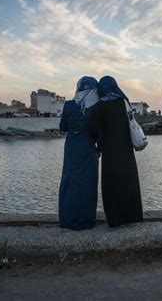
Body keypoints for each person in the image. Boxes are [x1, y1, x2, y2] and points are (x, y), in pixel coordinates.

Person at [88, 76, 143, 228]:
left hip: (109, 152)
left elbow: (92, 128)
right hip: (125, 149)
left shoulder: (99, 106)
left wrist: (100, 141)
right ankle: (133, 216)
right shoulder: (123, 102)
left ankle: (115, 219)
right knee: (128, 181)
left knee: (111, 184)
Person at [58, 76, 100, 230]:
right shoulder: (96, 106)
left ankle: (67, 219)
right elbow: (98, 131)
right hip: (88, 147)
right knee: (86, 183)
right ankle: (85, 220)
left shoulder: (69, 105)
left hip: (71, 147)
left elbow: (63, 127)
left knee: (70, 180)